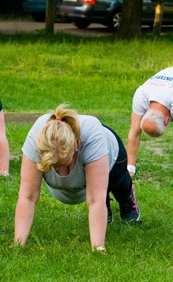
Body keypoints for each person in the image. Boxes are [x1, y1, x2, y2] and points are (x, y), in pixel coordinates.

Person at [15, 104, 141, 251]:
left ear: (76, 144)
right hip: (82, 162)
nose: (60, 172)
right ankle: (104, 202)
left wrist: (98, 249)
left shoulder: (92, 138)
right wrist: (18, 246)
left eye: (63, 164)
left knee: (115, 184)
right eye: (54, 167)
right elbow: (28, 197)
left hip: (112, 157)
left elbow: (94, 200)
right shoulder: (36, 140)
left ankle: (127, 200)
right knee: (99, 194)